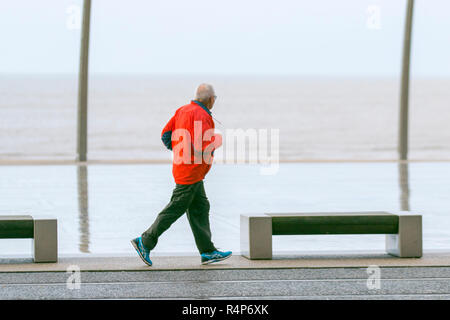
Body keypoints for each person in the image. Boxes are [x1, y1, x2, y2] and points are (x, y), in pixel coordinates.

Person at [131, 83, 232, 266]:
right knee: (176, 208)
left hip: (185, 169)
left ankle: (208, 252)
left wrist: (178, 152)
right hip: (191, 172)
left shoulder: (182, 110)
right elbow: (203, 147)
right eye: (215, 98)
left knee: (200, 208)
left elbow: (165, 135)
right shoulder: (202, 116)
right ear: (210, 99)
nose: (214, 101)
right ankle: (144, 241)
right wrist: (216, 142)